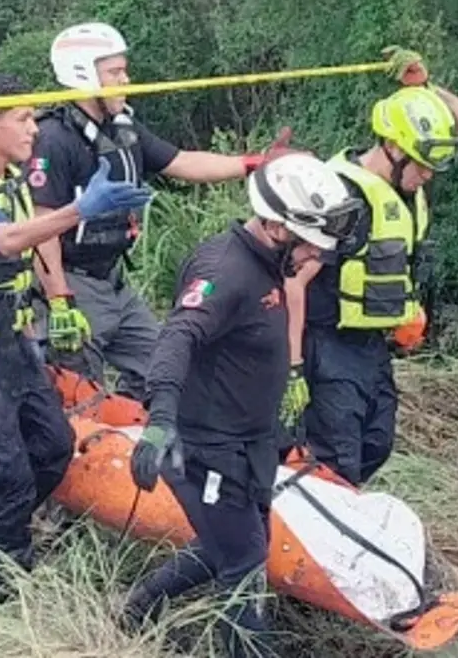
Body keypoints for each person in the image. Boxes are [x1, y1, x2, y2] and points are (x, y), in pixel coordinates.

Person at [117, 152, 363, 657]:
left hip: (250, 441)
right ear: (276, 227)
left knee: (230, 544)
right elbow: (177, 338)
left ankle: (136, 608)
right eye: (309, 247)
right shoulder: (225, 270)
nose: (315, 259)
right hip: (203, 447)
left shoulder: (269, 263)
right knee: (245, 559)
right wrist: (160, 419)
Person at [0, 71, 152, 594]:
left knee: (51, 448)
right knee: (7, 469)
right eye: (23, 119)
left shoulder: (13, 181)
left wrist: (56, 302)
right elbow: (4, 241)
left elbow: (28, 250)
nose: (33, 129)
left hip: (15, 343)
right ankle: (0, 582)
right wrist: (81, 210)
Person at [28, 21, 294, 402]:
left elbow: (183, 162)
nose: (127, 79)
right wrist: (59, 300)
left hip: (116, 281)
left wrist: (255, 163)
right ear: (84, 75)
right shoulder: (53, 138)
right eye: (115, 72)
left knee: (167, 367)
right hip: (74, 282)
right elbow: (42, 223)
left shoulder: (123, 129)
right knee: (78, 392)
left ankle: (131, 424)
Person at [280, 47, 458, 486]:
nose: (430, 175)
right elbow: (292, 281)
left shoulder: (410, 177)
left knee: (377, 443)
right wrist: (293, 369)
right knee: (338, 459)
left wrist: (423, 86)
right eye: (423, 166)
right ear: (393, 147)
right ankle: (313, 533)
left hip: (370, 345)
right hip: (326, 344)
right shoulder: (344, 199)